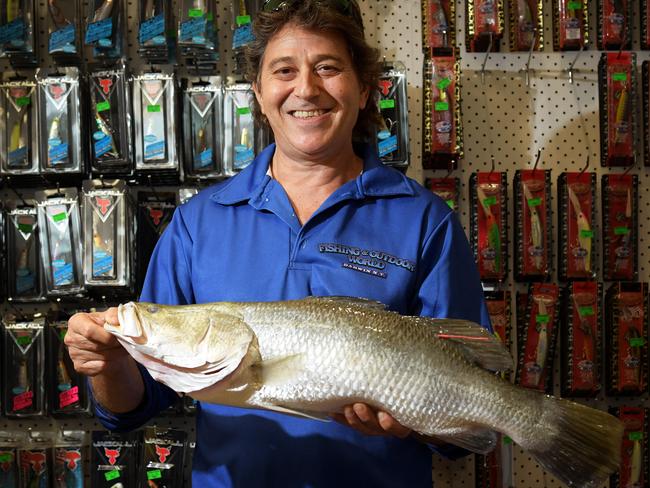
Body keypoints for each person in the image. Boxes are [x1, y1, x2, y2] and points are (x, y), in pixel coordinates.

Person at [66, 1, 491, 486]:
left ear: (365, 89)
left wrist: (413, 421)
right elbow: (132, 407)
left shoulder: (425, 220)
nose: (305, 88)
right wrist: (109, 364)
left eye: (328, 68)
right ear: (260, 92)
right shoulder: (197, 223)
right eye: (284, 70)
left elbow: (465, 423)